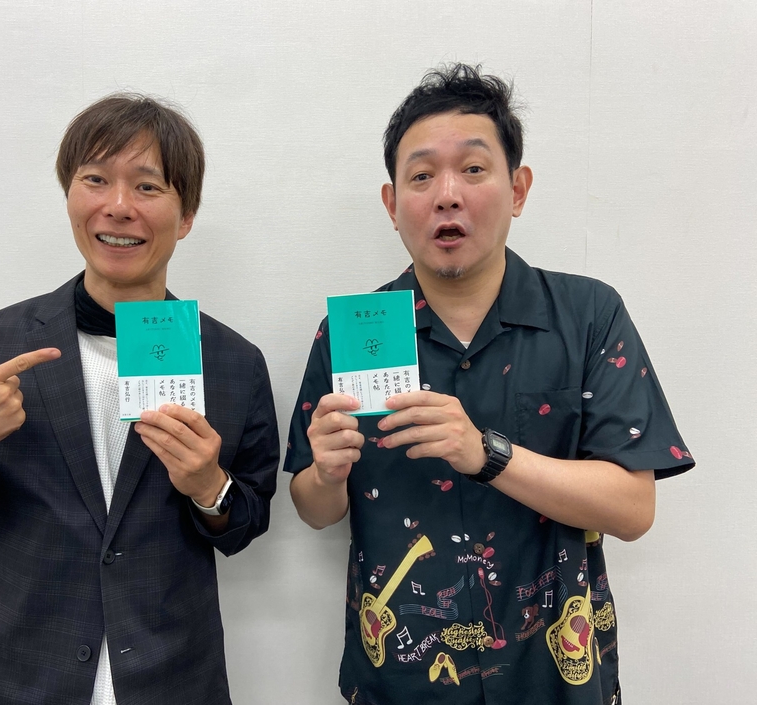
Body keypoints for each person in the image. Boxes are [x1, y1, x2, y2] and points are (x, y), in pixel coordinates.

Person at [286, 63, 693, 705]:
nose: (447, 195)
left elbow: (633, 510)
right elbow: (314, 510)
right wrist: (326, 475)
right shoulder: (350, 334)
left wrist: (487, 454)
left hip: (555, 677)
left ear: (518, 189)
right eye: (422, 176)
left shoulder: (588, 315)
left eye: (473, 169)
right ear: (393, 205)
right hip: (402, 678)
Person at [0, 94, 279, 705]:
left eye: (147, 186)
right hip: (15, 682)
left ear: (186, 214)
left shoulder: (233, 362)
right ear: (69, 195)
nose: (118, 206)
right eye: (95, 179)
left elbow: (246, 525)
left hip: (174, 681)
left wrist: (210, 487)